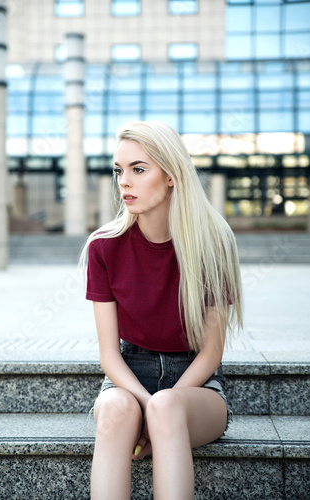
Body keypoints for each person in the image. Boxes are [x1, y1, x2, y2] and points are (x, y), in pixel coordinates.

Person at [80, 121, 243, 500]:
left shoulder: (213, 243)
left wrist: (157, 412)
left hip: (197, 384)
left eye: (139, 169)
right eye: (119, 171)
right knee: (118, 412)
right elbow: (109, 355)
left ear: (171, 176)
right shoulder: (104, 247)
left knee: (167, 407)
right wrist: (144, 404)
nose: (124, 182)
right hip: (127, 376)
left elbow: (211, 353)